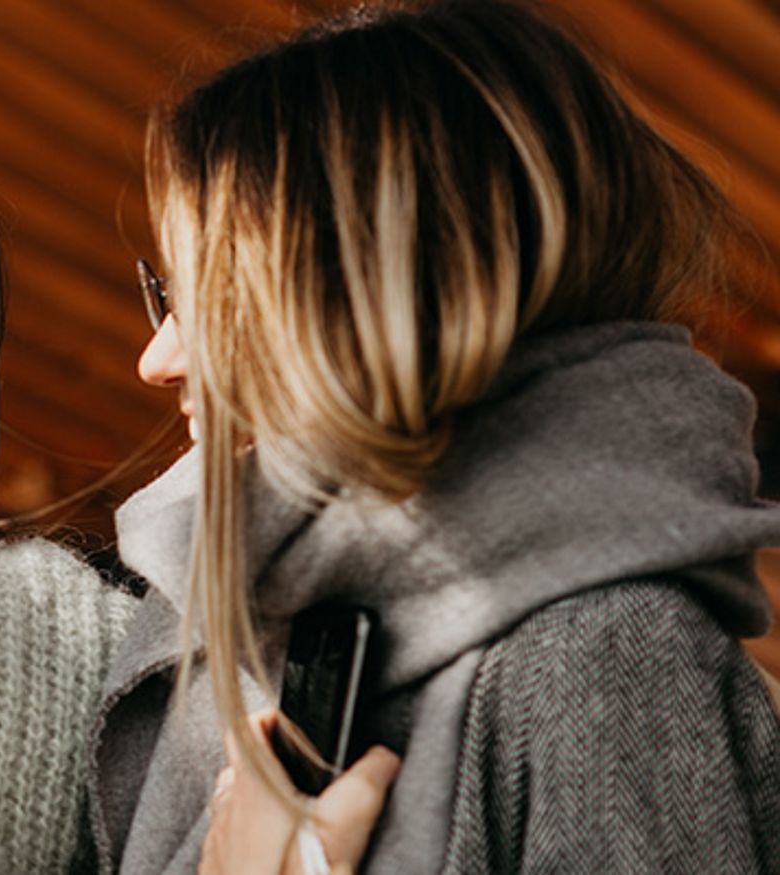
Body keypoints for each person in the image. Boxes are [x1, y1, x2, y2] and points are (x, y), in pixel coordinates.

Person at [97, 2, 780, 872]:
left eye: (209, 300)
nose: (158, 360)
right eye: (166, 295)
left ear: (380, 297)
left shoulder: (602, 658)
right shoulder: (258, 616)